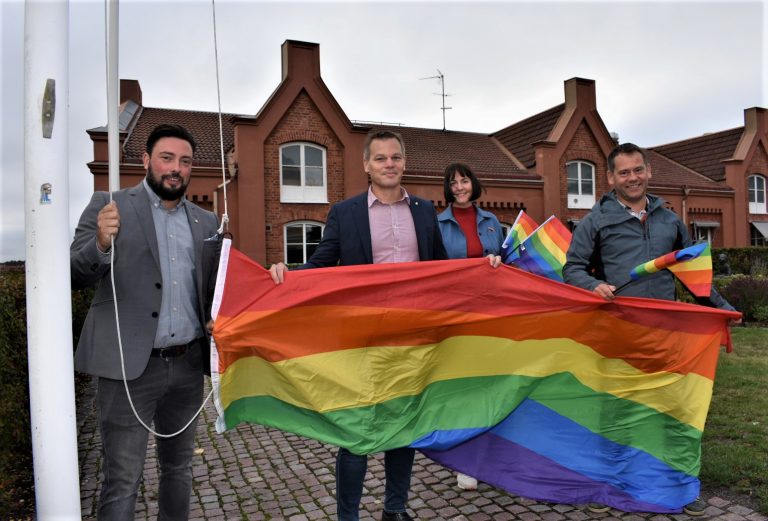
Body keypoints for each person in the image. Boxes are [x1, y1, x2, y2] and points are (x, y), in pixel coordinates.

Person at [270, 130, 448, 521]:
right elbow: (322, 262)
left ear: (404, 162)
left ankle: (395, 509)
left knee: (404, 428)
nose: (389, 164)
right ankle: (347, 516)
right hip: (363, 340)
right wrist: (288, 273)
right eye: (381, 158)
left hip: (411, 339)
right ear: (366, 165)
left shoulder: (423, 209)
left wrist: (484, 268)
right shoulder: (346, 212)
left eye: (396, 157)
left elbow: (442, 268)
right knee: (356, 431)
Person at [563, 142, 736, 516]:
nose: (632, 178)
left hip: (666, 335)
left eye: (637, 170)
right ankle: (606, 487)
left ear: (649, 170)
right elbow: (572, 267)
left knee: (674, 411)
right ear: (610, 178)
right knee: (615, 414)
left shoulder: (670, 220)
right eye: (623, 172)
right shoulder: (596, 220)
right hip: (619, 334)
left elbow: (693, 273)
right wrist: (593, 285)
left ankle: (681, 486)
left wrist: (723, 309)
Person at [71, 124, 220, 520]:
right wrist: (101, 243)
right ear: (146, 160)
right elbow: (72, 274)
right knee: (122, 478)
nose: (176, 168)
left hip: (187, 367)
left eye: (185, 161)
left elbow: (219, 289)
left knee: (179, 470)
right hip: (126, 367)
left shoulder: (208, 223)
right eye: (167, 158)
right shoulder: (109, 205)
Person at [437, 162, 504, 491]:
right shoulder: (437, 224)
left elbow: (507, 265)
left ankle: (486, 454)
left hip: (490, 315)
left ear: (473, 183)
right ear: (447, 189)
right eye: (453, 183)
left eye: (464, 180)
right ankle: (463, 460)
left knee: (488, 386)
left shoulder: (492, 222)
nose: (459, 187)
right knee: (462, 388)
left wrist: (497, 263)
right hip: (456, 316)